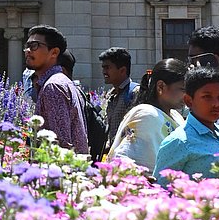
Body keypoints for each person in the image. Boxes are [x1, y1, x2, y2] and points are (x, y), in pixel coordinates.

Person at [152, 63, 219, 190]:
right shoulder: (180, 141)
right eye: (207, 97)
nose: (216, 104)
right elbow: (161, 191)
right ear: (189, 101)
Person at [108, 58, 185, 170]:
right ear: (161, 87)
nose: (188, 95)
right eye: (183, 89)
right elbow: (130, 164)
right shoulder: (146, 116)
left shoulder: (175, 116)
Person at [24, 25, 89, 154]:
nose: (27, 50)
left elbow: (61, 146)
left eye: (34, 46)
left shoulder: (53, 86)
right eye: (27, 46)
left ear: (54, 52)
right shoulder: (60, 81)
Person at [99, 48, 141, 141]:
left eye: (107, 67)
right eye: (103, 68)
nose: (104, 72)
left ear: (122, 70)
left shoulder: (135, 93)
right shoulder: (111, 95)